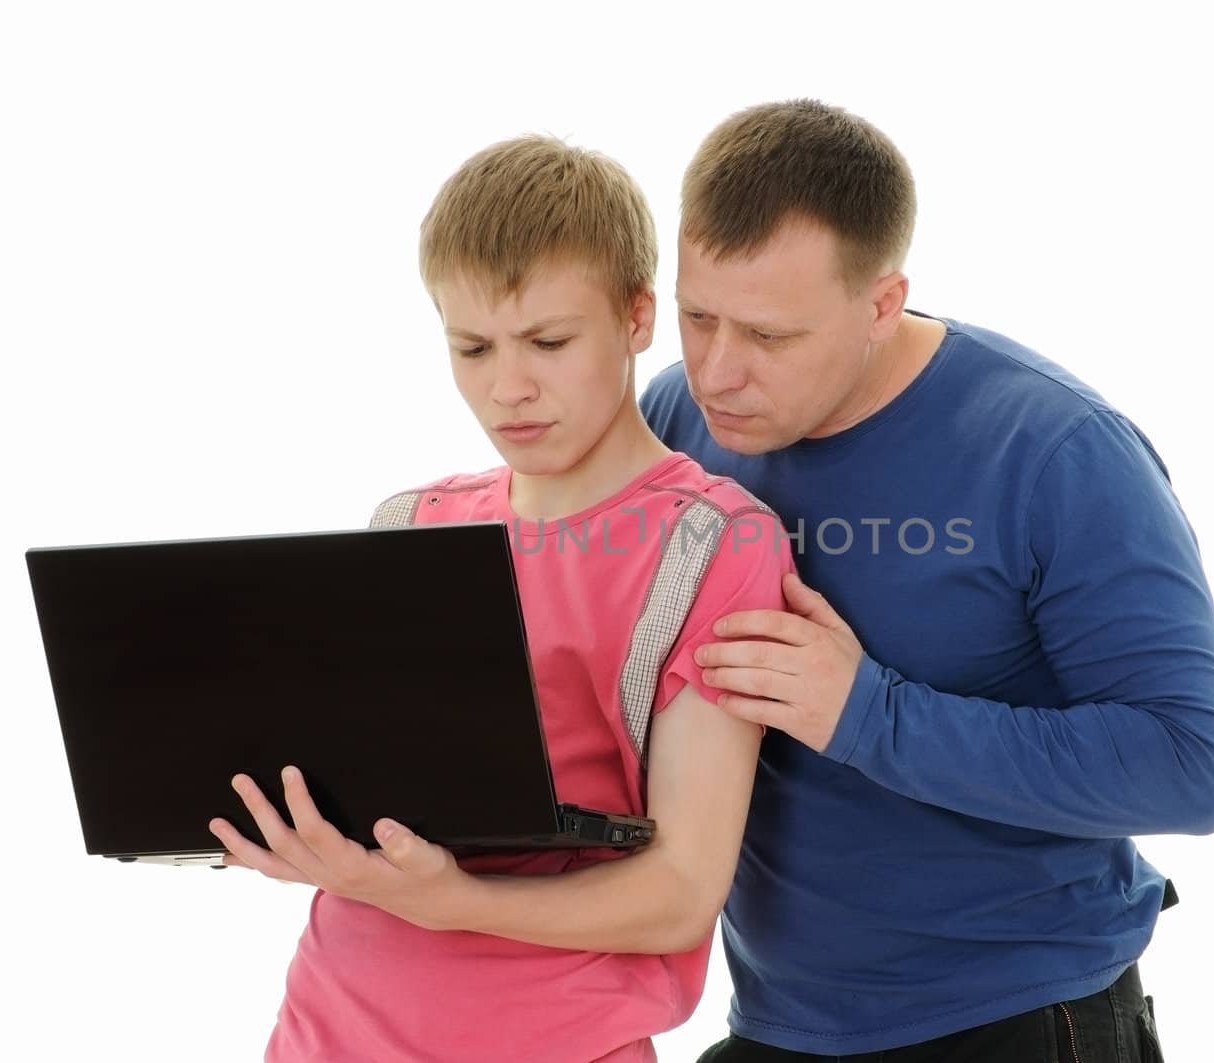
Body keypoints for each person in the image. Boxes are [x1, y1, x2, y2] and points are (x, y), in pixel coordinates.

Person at [639, 99, 1214, 1062]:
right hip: (777, 1019)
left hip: (1022, 1016)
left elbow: (1188, 765)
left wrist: (866, 711)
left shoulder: (1058, 453)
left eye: (768, 336)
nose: (718, 373)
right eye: (696, 315)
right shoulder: (674, 418)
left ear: (882, 303)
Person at [209, 135, 793, 1063]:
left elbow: (684, 887)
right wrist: (303, 835)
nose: (507, 387)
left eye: (549, 343)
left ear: (638, 317)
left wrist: (453, 900)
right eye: (471, 346)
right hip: (330, 1025)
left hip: (556, 1039)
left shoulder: (713, 541)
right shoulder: (412, 525)